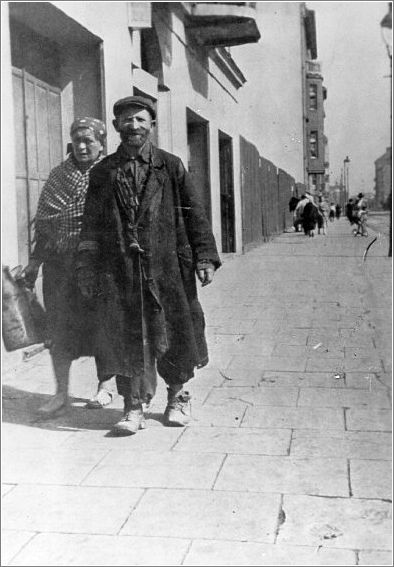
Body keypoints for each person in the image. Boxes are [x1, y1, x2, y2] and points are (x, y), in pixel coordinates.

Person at [76, 96, 221, 436]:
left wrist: (204, 256)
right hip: (120, 270)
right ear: (116, 127)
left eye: (141, 120)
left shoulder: (170, 167)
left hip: (168, 268)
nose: (134, 126)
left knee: (174, 331)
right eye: (127, 120)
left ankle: (177, 397)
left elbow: (195, 214)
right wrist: (87, 266)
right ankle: (133, 406)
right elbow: (91, 224)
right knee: (126, 334)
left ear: (152, 125)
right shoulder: (102, 173)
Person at [23, 117, 115, 417]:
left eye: (89, 140)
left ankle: (105, 387)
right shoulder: (58, 176)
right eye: (77, 140)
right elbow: (46, 226)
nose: (83, 145)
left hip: (98, 264)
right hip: (59, 267)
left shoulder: (109, 174)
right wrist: (35, 263)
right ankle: (61, 393)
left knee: (103, 326)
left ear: (101, 143)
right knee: (59, 330)